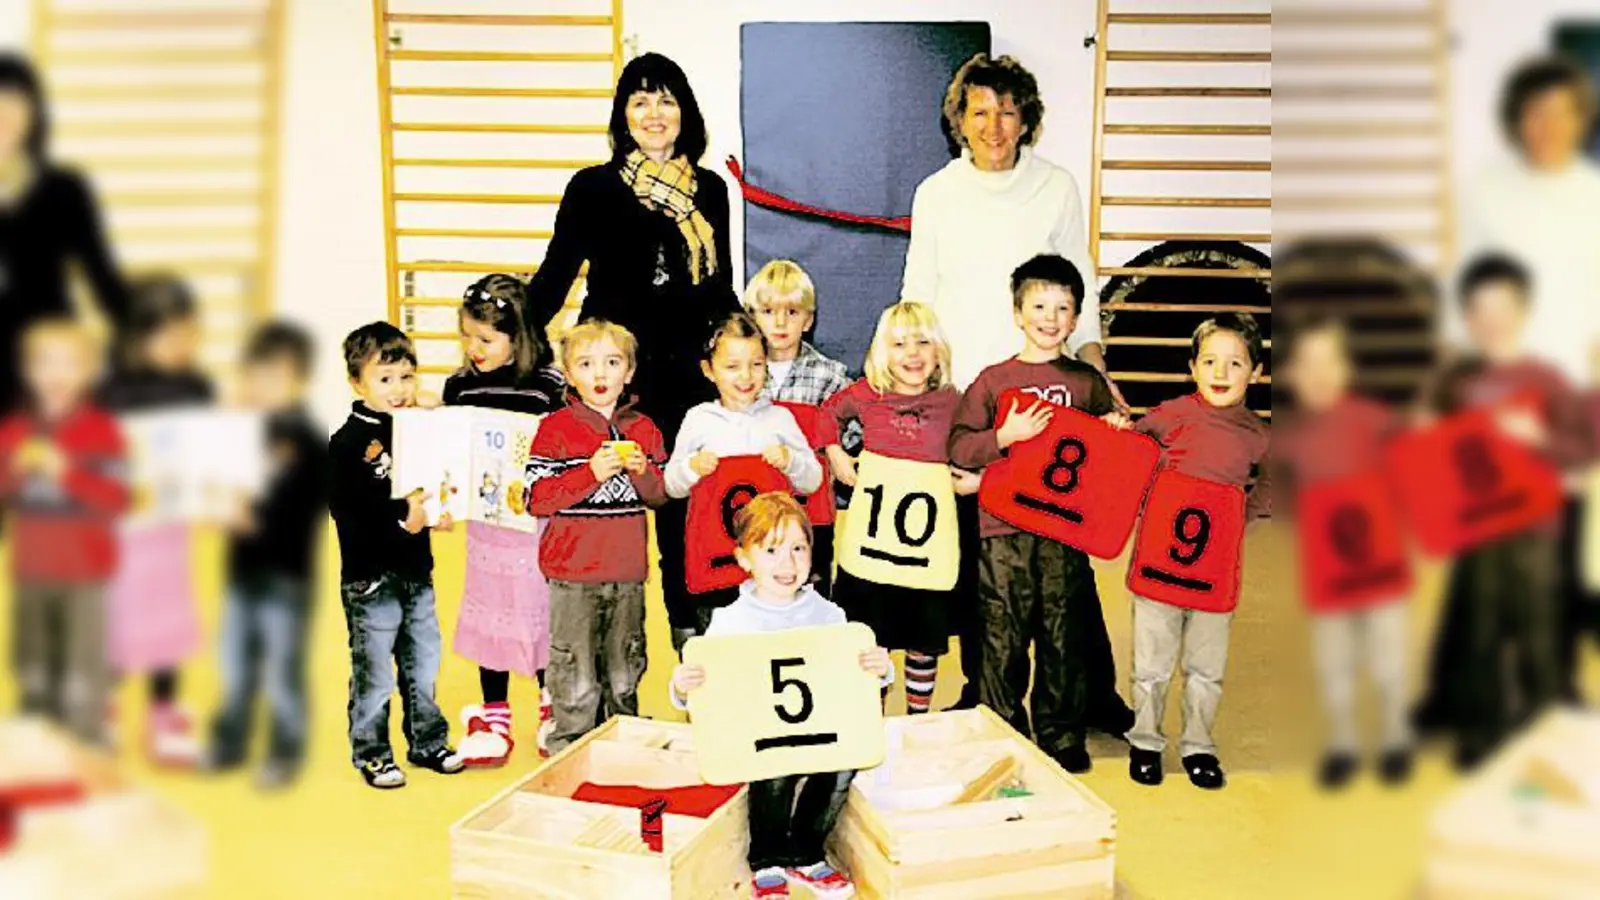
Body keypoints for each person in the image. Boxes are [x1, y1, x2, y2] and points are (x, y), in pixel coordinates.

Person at [523, 52, 739, 652]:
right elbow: (555, 277)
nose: (653, 113)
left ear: (685, 112)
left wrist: (751, 351)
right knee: (601, 520)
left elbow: (718, 287)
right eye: (640, 101)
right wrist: (505, 338)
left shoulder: (711, 190)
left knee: (683, 518)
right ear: (622, 114)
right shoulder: (592, 187)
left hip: (685, 379)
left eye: (666, 99)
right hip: (611, 383)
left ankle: (691, 648)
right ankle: (596, 659)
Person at [1433, 56, 1600, 715]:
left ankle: (1554, 681)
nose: (1547, 125)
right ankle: (1455, 692)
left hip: (1569, 394)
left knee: (1562, 544)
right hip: (1495, 388)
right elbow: (1460, 291)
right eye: (1534, 112)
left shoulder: (1594, 193)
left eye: (1561, 112)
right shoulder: (1487, 191)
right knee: (1481, 545)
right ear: (1516, 119)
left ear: (1581, 119)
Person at [948, 255, 1134, 774]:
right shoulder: (993, 381)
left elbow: (1112, 461)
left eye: (1062, 308)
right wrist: (1004, 437)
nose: (1050, 318)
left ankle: (1061, 733)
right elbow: (959, 447)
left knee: (1063, 633)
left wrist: (1116, 432)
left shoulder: (1086, 383)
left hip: (1063, 530)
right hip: (1001, 531)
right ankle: (1001, 728)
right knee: (1000, 633)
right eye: (1038, 306)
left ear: (1076, 319)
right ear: (1017, 313)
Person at [670, 492, 891, 900]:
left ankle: (807, 852)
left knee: (841, 767)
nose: (787, 564)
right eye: (770, 550)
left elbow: (854, 679)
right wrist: (684, 685)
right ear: (744, 559)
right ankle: (767, 858)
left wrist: (879, 669)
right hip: (763, 735)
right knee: (772, 772)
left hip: (820, 728)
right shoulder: (730, 622)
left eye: (798, 549)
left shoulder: (830, 615)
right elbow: (704, 689)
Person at [1419, 256, 1592, 768]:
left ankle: (1547, 734)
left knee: (1540, 636)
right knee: (1480, 635)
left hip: (1537, 533)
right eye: (1481, 309)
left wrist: (1539, 437)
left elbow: (1582, 451)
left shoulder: (1547, 379)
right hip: (1479, 533)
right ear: (1469, 318)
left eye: (1503, 307)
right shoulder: (1460, 382)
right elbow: (1427, 450)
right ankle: (1480, 734)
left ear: (1523, 311)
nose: (1493, 319)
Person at [902, 53, 1122, 408]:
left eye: (1006, 113)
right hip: (955, 385)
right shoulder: (934, 192)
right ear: (961, 122)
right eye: (980, 113)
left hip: (1042, 388)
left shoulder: (1057, 186)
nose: (993, 128)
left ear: (1024, 123)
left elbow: (1080, 284)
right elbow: (918, 294)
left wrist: (1096, 368)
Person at [1123, 314, 1270, 790]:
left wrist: (1239, 518)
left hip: (1215, 570)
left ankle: (1198, 746)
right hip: (1159, 563)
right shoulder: (1171, 414)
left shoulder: (1258, 434)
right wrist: (1145, 499)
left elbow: (1273, 483)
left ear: (1256, 372)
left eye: (1235, 363)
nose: (1220, 373)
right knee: (1151, 662)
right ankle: (1145, 741)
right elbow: (1131, 448)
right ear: (1193, 368)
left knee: (1207, 666)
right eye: (1209, 362)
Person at [1275, 319, 1414, 789]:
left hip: (1381, 566)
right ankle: (1343, 744)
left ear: (1347, 369)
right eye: (1307, 364)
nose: (1318, 374)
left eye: (1329, 362)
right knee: (1334, 662)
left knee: (1389, 658)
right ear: (1293, 374)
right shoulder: (1291, 438)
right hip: (1327, 570)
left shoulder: (1379, 422)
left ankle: (1395, 738)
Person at [328, 323, 465, 788]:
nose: (399, 389)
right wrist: (403, 518)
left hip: (416, 572)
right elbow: (348, 511)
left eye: (407, 377)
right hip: (370, 579)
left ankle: (427, 742)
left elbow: (435, 481)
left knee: (422, 664)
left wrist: (438, 512)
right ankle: (372, 753)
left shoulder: (416, 428)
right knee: (375, 672)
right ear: (357, 383)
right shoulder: (347, 442)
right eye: (385, 379)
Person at [824, 302, 977, 714]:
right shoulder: (867, 394)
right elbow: (826, 415)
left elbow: (978, 442)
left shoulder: (954, 401)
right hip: (871, 549)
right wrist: (835, 453)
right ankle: (868, 717)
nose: (912, 353)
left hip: (928, 552)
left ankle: (917, 719)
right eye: (899, 344)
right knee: (869, 642)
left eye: (923, 342)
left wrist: (977, 477)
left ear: (939, 350)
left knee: (922, 642)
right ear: (881, 353)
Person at [526, 320, 668, 755]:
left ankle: (621, 742)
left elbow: (661, 495)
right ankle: (569, 748)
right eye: (586, 364)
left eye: (612, 362)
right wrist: (590, 473)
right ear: (569, 374)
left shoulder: (644, 428)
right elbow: (537, 498)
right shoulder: (554, 428)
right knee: (575, 671)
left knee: (625, 665)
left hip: (627, 573)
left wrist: (642, 471)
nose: (600, 374)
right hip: (572, 576)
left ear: (630, 372)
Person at [443, 274, 567, 767]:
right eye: (467, 336)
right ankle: (494, 712)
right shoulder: (459, 387)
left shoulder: (548, 386)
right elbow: (450, 454)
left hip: (535, 526)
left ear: (518, 338)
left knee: (540, 609)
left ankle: (551, 701)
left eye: (485, 339)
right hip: (486, 528)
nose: (473, 348)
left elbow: (564, 447)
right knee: (489, 610)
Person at [203, 322, 327, 789]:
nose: (263, 387)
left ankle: (284, 750)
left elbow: (308, 504)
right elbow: (215, 481)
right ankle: (229, 741)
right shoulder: (242, 430)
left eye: (276, 377)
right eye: (256, 376)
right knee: (234, 666)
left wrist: (254, 514)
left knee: (281, 671)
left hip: (287, 577)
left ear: (299, 381)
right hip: (242, 572)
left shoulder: (307, 439)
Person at [97, 275, 212, 766]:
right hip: (119, 529)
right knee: (119, 616)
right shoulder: (110, 390)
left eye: (189, 334)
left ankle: (163, 712)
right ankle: (103, 706)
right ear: (139, 336)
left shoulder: (196, 386)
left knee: (170, 618)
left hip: (169, 528)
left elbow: (206, 453)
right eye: (170, 336)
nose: (183, 345)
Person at [0, 317, 127, 746]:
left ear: (89, 371)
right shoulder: (13, 430)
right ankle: (38, 740)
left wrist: (65, 472)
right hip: (31, 571)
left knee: (81, 670)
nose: (56, 374)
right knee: (32, 663)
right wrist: (15, 472)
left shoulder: (103, 430)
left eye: (69, 363)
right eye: (45, 363)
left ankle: (86, 741)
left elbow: (117, 499)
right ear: (27, 372)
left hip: (85, 573)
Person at [665, 313, 822, 639]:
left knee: (770, 646)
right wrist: (691, 468)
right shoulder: (698, 419)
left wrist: (791, 461)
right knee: (720, 650)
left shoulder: (780, 418)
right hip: (716, 566)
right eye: (732, 366)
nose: (746, 376)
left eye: (757, 364)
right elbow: (671, 486)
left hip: (772, 568)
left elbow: (812, 480)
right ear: (709, 370)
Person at [0, 53, 128, 415]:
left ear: (35, 114)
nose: (4, 114)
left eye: (15, 102)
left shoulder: (66, 188)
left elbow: (104, 281)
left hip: (51, 368)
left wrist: (138, 345)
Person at [746, 259, 850, 593]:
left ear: (808, 320)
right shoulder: (741, 375)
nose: (780, 323)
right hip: (753, 509)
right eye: (768, 312)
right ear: (752, 317)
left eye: (792, 312)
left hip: (812, 516)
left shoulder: (830, 376)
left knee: (811, 599)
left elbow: (853, 438)